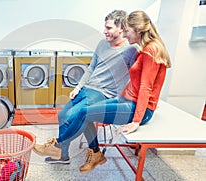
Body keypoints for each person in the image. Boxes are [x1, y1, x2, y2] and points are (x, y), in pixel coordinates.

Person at [33, 10, 171, 173]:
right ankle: (85, 153)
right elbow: (139, 81)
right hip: (125, 100)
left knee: (82, 113)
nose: (126, 35)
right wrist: (79, 89)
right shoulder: (145, 49)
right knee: (78, 114)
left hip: (131, 106)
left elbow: (146, 87)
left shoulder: (144, 50)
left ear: (137, 30)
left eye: (127, 31)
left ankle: (58, 146)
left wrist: (136, 120)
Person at [45, 10, 139, 164]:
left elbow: (137, 76)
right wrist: (77, 88)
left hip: (103, 94)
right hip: (87, 89)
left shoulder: (131, 49)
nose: (104, 31)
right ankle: (91, 152)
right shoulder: (102, 44)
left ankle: (60, 151)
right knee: (62, 115)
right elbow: (91, 68)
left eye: (109, 28)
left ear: (121, 29)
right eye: (105, 27)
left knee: (76, 115)